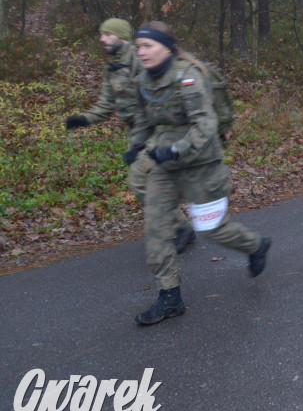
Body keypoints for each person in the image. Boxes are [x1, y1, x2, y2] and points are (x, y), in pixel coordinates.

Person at [129, 22, 270, 326]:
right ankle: (170, 297)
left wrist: (176, 149)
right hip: (164, 167)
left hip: (199, 163)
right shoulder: (144, 79)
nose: (141, 52)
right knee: (156, 231)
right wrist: (137, 145)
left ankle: (255, 244)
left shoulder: (188, 77)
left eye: (148, 45)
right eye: (138, 46)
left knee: (211, 229)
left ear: (166, 46)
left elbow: (205, 125)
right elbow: (143, 119)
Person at [63, 18, 195, 253]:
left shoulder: (141, 59)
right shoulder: (112, 67)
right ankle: (181, 225)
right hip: (136, 130)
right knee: (146, 181)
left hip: (155, 129)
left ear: (122, 37)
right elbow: (106, 105)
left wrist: (144, 142)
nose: (102, 39)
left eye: (107, 35)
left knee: (142, 180)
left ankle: (182, 226)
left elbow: (160, 94)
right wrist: (83, 119)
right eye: (101, 34)